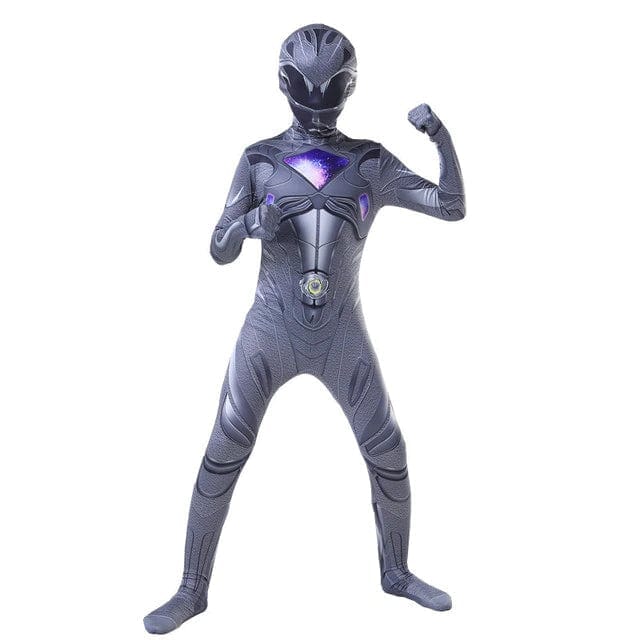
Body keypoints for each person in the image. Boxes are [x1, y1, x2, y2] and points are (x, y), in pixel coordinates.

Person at [144, 23, 465, 634]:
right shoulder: (261, 159)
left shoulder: (368, 161)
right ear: (287, 84)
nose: (318, 101)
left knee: (387, 450)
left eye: (329, 87)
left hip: (339, 331)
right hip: (271, 329)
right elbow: (217, 248)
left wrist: (439, 135)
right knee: (225, 448)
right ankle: (191, 588)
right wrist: (250, 225)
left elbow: (451, 207)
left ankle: (396, 572)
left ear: (347, 87)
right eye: (308, 87)